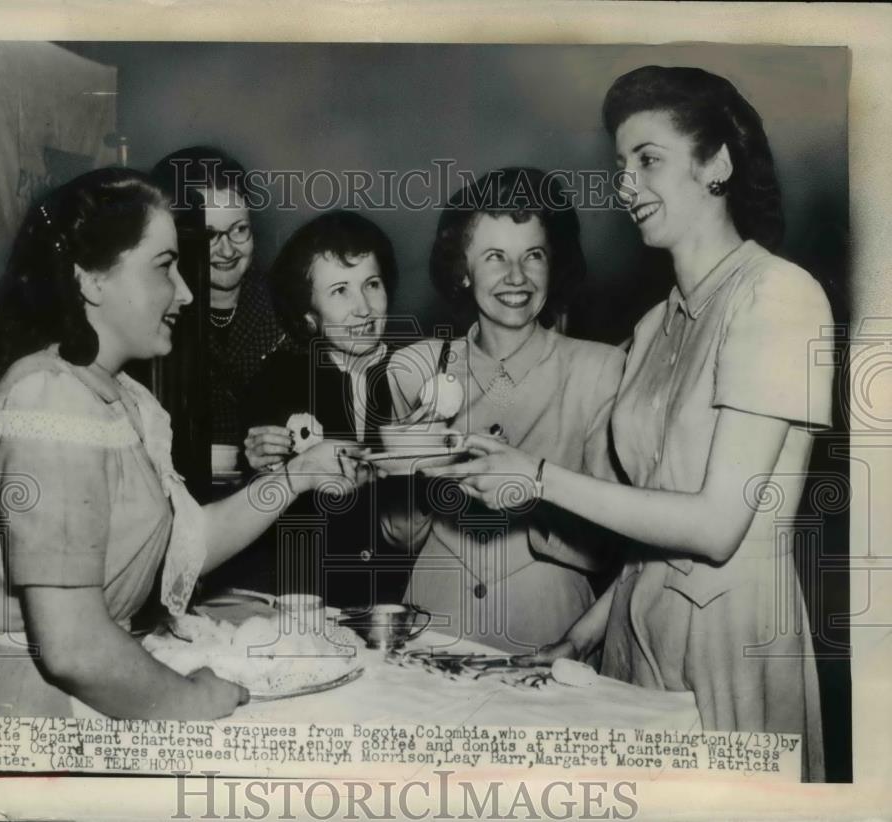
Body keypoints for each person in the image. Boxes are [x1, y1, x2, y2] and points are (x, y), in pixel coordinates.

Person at [426, 67, 833, 780]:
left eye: (648, 160)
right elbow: (649, 530)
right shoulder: (653, 326)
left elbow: (712, 526)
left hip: (727, 644)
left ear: (718, 165)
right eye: (621, 166)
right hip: (630, 640)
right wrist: (578, 637)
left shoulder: (778, 296)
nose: (626, 184)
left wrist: (540, 478)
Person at [0, 168, 367, 770]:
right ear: (90, 280)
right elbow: (73, 648)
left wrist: (295, 477)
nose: (187, 293)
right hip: (22, 736)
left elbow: (181, 544)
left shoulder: (121, 400)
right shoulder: (47, 401)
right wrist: (190, 698)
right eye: (164, 266)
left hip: (89, 716)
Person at [384, 167, 626, 655]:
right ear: (463, 269)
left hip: (548, 629)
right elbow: (403, 536)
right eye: (495, 257)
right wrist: (412, 471)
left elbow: (611, 543)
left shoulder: (600, 370)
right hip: (432, 623)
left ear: (552, 265)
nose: (516, 277)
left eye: (532, 255)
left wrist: (529, 492)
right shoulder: (415, 368)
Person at [222, 210, 407, 608]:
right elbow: (259, 503)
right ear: (310, 317)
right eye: (340, 291)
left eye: (372, 284)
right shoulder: (277, 381)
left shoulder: (418, 374)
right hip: (307, 597)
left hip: (399, 597)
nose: (364, 307)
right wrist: (259, 464)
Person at [151, 146, 288, 451]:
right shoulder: (151, 318)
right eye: (209, 235)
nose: (227, 251)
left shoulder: (289, 308)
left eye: (239, 230)